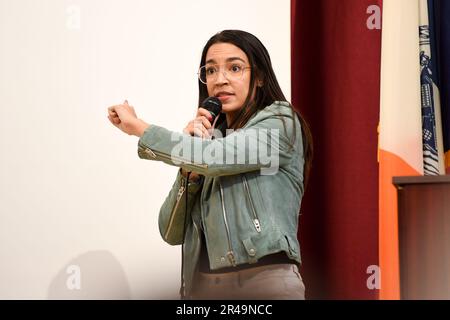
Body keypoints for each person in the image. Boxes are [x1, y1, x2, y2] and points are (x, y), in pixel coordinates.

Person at [107, 30, 313, 300]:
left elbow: (214, 159)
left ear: (260, 76)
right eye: (211, 70)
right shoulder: (210, 147)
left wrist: (140, 129)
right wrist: (189, 172)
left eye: (235, 68)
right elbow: (170, 231)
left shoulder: (280, 122)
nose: (220, 80)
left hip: (264, 282)